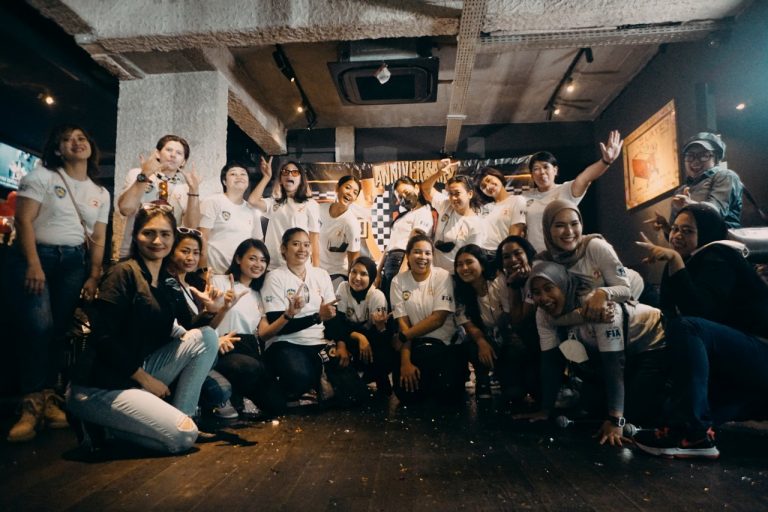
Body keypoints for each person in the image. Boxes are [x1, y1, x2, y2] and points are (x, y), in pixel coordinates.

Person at [66, 204, 219, 454]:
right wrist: (145, 379)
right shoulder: (122, 273)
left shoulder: (165, 283)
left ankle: (182, 416)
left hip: (135, 374)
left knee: (208, 337)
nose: (157, 241)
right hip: (100, 385)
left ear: (172, 239)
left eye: (165, 234)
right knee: (182, 437)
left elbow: (188, 331)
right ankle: (94, 421)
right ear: (136, 236)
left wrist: (211, 311)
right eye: (149, 233)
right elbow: (102, 337)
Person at [633, 204, 768, 459]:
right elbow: (670, 315)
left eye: (687, 231)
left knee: (689, 327)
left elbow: (699, 313)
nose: (677, 235)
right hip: (743, 365)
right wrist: (673, 263)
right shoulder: (688, 262)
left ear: (706, 233)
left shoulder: (719, 256)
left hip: (760, 353)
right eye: (675, 229)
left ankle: (694, 435)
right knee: (664, 408)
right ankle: (688, 431)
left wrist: (674, 260)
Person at [5, 124, 110, 443]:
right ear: (57, 149)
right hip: (38, 256)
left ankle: (49, 397)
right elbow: (23, 220)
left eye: (81, 138)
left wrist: (94, 274)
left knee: (59, 330)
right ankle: (31, 403)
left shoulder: (100, 193)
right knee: (39, 326)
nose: (76, 143)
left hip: (74, 263)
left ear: (90, 146)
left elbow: (99, 237)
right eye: (67, 139)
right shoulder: (41, 177)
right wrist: (33, 264)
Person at [260, 228, 337, 404]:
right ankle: (301, 385)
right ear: (283, 249)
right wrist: (316, 317)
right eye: (296, 244)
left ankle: (317, 381)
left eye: (306, 245)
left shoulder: (321, 274)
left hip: (319, 341)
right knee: (299, 377)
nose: (302, 249)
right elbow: (277, 324)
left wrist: (339, 343)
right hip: (286, 343)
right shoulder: (274, 278)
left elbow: (332, 315)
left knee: (353, 391)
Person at [210, 239, 285, 416]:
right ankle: (229, 397)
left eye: (263, 260)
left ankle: (242, 396)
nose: (258, 264)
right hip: (222, 349)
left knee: (277, 406)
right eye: (252, 258)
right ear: (238, 259)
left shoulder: (258, 294)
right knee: (246, 366)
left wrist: (288, 315)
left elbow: (263, 333)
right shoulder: (219, 282)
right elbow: (205, 318)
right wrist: (220, 306)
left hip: (249, 350)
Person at [538, 199, 644, 320]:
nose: (569, 231)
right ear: (547, 228)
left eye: (574, 224)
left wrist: (603, 293)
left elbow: (625, 290)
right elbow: (548, 315)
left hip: (636, 293)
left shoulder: (595, 246)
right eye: (559, 225)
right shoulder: (545, 263)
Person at [390, 234, 465, 403]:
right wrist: (405, 363)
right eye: (417, 252)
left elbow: (438, 319)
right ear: (408, 255)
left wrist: (403, 337)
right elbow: (403, 324)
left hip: (444, 346)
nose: (422, 257)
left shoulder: (442, 276)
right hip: (415, 346)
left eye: (427, 253)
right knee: (406, 394)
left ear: (433, 255)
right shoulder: (398, 281)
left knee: (446, 397)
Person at [523, 130, 623, 252]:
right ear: (532, 175)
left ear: (555, 170)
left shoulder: (565, 190)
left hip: (564, 255)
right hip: (535, 256)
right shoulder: (524, 197)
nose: (542, 172)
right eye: (536, 169)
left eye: (545, 167)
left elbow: (585, 178)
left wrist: (605, 161)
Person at [117, 135, 200, 258]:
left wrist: (194, 190)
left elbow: (191, 227)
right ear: (157, 153)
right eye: (169, 150)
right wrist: (144, 175)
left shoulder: (185, 187)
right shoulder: (138, 174)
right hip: (133, 252)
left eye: (179, 153)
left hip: (169, 256)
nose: (173, 155)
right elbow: (125, 209)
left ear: (183, 162)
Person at [326, 256, 395, 396]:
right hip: (349, 340)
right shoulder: (343, 287)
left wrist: (380, 327)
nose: (357, 278)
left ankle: (379, 379)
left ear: (372, 277)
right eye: (353, 272)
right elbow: (338, 322)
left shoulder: (377, 296)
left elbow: (382, 337)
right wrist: (357, 337)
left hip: (372, 343)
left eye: (363, 274)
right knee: (333, 352)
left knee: (383, 353)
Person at [650, 132, 743, 235]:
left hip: (721, 242)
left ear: (716, 158)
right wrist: (665, 226)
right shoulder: (680, 191)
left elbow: (715, 213)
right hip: (693, 245)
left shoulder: (725, 176)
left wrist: (690, 205)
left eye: (703, 155)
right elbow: (678, 235)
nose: (695, 161)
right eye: (690, 156)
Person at [247, 158, 320, 270]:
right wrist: (266, 177)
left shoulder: (310, 204)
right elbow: (252, 201)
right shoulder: (273, 202)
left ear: (301, 179)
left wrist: (316, 270)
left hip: (299, 266)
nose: (289, 175)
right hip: (273, 265)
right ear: (280, 180)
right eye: (285, 172)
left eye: (295, 172)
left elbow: (314, 239)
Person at [376, 176, 434, 303]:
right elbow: (390, 245)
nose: (404, 198)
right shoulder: (404, 216)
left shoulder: (423, 212)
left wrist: (403, 270)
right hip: (389, 262)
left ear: (416, 188)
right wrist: (378, 272)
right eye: (400, 196)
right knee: (387, 305)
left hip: (402, 261)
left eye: (406, 192)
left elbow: (414, 244)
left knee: (399, 305)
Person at [198, 162, 263, 274]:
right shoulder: (213, 201)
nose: (239, 177)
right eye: (233, 174)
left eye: (243, 174)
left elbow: (258, 244)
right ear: (224, 181)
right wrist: (203, 271)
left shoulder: (251, 209)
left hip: (241, 275)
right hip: (214, 274)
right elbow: (202, 238)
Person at [420, 168, 486, 274]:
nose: (453, 198)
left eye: (457, 193)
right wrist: (439, 173)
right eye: (450, 194)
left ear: (470, 194)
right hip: (434, 272)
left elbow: (473, 257)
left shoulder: (476, 224)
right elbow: (425, 189)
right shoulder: (446, 204)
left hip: (457, 275)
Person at [475, 167, 526, 263]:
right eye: (483, 187)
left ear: (497, 176)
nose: (488, 187)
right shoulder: (485, 207)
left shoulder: (517, 200)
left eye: (489, 180)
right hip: (482, 254)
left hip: (501, 254)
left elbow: (515, 235)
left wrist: (506, 256)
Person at [318, 175, 362, 285]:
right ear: (337, 188)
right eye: (347, 188)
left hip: (337, 274)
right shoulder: (319, 210)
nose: (350, 193)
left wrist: (349, 286)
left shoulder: (352, 224)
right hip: (316, 271)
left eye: (355, 192)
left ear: (355, 198)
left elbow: (353, 260)